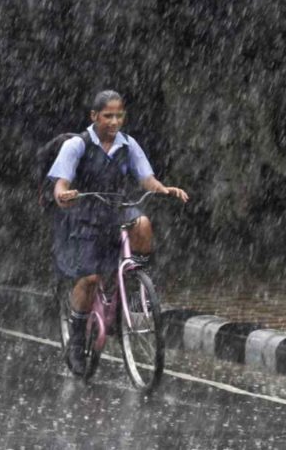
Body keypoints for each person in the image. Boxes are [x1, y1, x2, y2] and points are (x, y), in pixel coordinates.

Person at [47, 90, 189, 376]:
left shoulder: (128, 144)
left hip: (116, 209)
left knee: (144, 225)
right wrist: (64, 195)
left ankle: (135, 285)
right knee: (89, 278)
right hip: (84, 214)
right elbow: (60, 184)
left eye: (119, 115)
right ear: (94, 116)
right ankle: (76, 340)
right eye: (107, 116)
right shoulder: (78, 145)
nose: (114, 121)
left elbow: (146, 178)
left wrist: (163, 189)